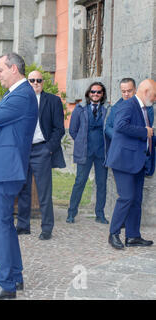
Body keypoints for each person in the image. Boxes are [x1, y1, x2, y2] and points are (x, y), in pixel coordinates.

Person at [0, 53, 38, 300]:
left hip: (4, 170)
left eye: (0, 70)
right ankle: (14, 276)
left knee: (0, 227)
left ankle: (6, 285)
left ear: (13, 68)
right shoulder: (18, 94)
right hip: (5, 168)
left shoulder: (21, 94)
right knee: (5, 227)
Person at [106, 79, 155, 250]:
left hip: (138, 161)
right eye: (154, 95)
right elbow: (120, 126)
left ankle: (133, 236)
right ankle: (113, 233)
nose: (155, 98)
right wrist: (145, 132)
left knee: (136, 200)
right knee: (126, 197)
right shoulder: (128, 105)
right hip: (123, 161)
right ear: (147, 91)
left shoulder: (144, 109)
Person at [16, 71, 66, 240]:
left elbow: (59, 129)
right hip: (23, 150)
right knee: (22, 188)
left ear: (43, 82)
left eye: (38, 80)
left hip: (42, 150)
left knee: (44, 191)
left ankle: (46, 228)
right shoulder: (20, 101)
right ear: (27, 82)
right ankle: (23, 225)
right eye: (32, 80)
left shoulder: (53, 100)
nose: (35, 83)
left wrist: (49, 149)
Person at [66, 82, 110, 224]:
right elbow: (73, 130)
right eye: (93, 92)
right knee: (80, 182)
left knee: (101, 183)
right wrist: (81, 142)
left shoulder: (107, 110)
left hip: (102, 153)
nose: (95, 94)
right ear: (88, 93)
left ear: (102, 94)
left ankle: (100, 214)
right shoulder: (80, 110)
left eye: (98, 92)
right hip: (85, 152)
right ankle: (71, 213)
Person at [105, 78, 144, 155]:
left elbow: (144, 129)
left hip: (137, 152)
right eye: (123, 91)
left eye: (129, 91)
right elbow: (107, 127)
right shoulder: (115, 107)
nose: (126, 94)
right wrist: (119, 138)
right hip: (119, 152)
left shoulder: (144, 107)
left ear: (135, 90)